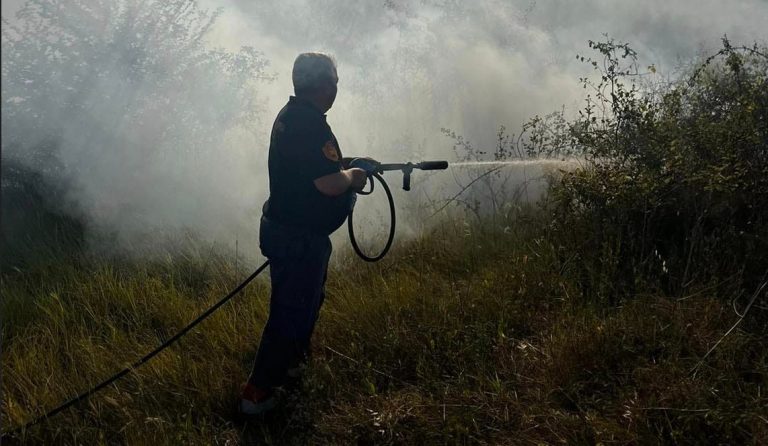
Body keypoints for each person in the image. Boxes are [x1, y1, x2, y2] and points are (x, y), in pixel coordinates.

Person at [239, 52, 368, 416]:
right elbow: (329, 184)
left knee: (303, 305)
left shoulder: (292, 115)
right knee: (289, 314)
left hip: (290, 232)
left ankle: (292, 370)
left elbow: (311, 168)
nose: (337, 88)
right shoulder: (309, 124)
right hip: (297, 237)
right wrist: (353, 177)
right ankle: (257, 396)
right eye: (336, 81)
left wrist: (344, 166)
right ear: (326, 86)